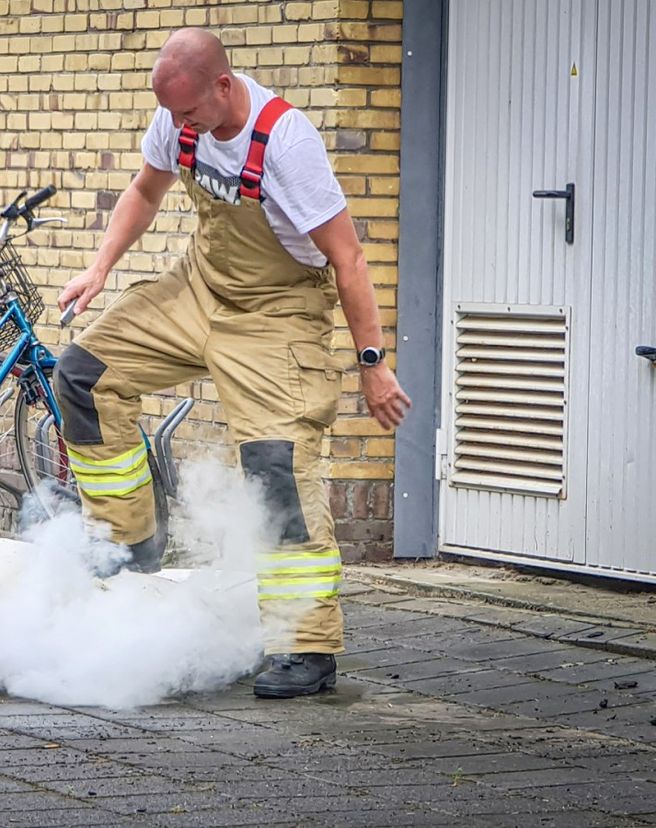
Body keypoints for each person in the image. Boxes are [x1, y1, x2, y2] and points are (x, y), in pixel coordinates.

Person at [54, 28, 410, 699]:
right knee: (84, 374)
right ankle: (126, 549)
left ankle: (305, 644)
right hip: (200, 284)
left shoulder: (286, 142)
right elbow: (145, 190)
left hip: (276, 312)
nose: (178, 124)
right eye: (172, 114)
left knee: (277, 462)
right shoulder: (179, 116)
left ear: (223, 84)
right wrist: (100, 268)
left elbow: (350, 258)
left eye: (187, 112)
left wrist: (373, 362)